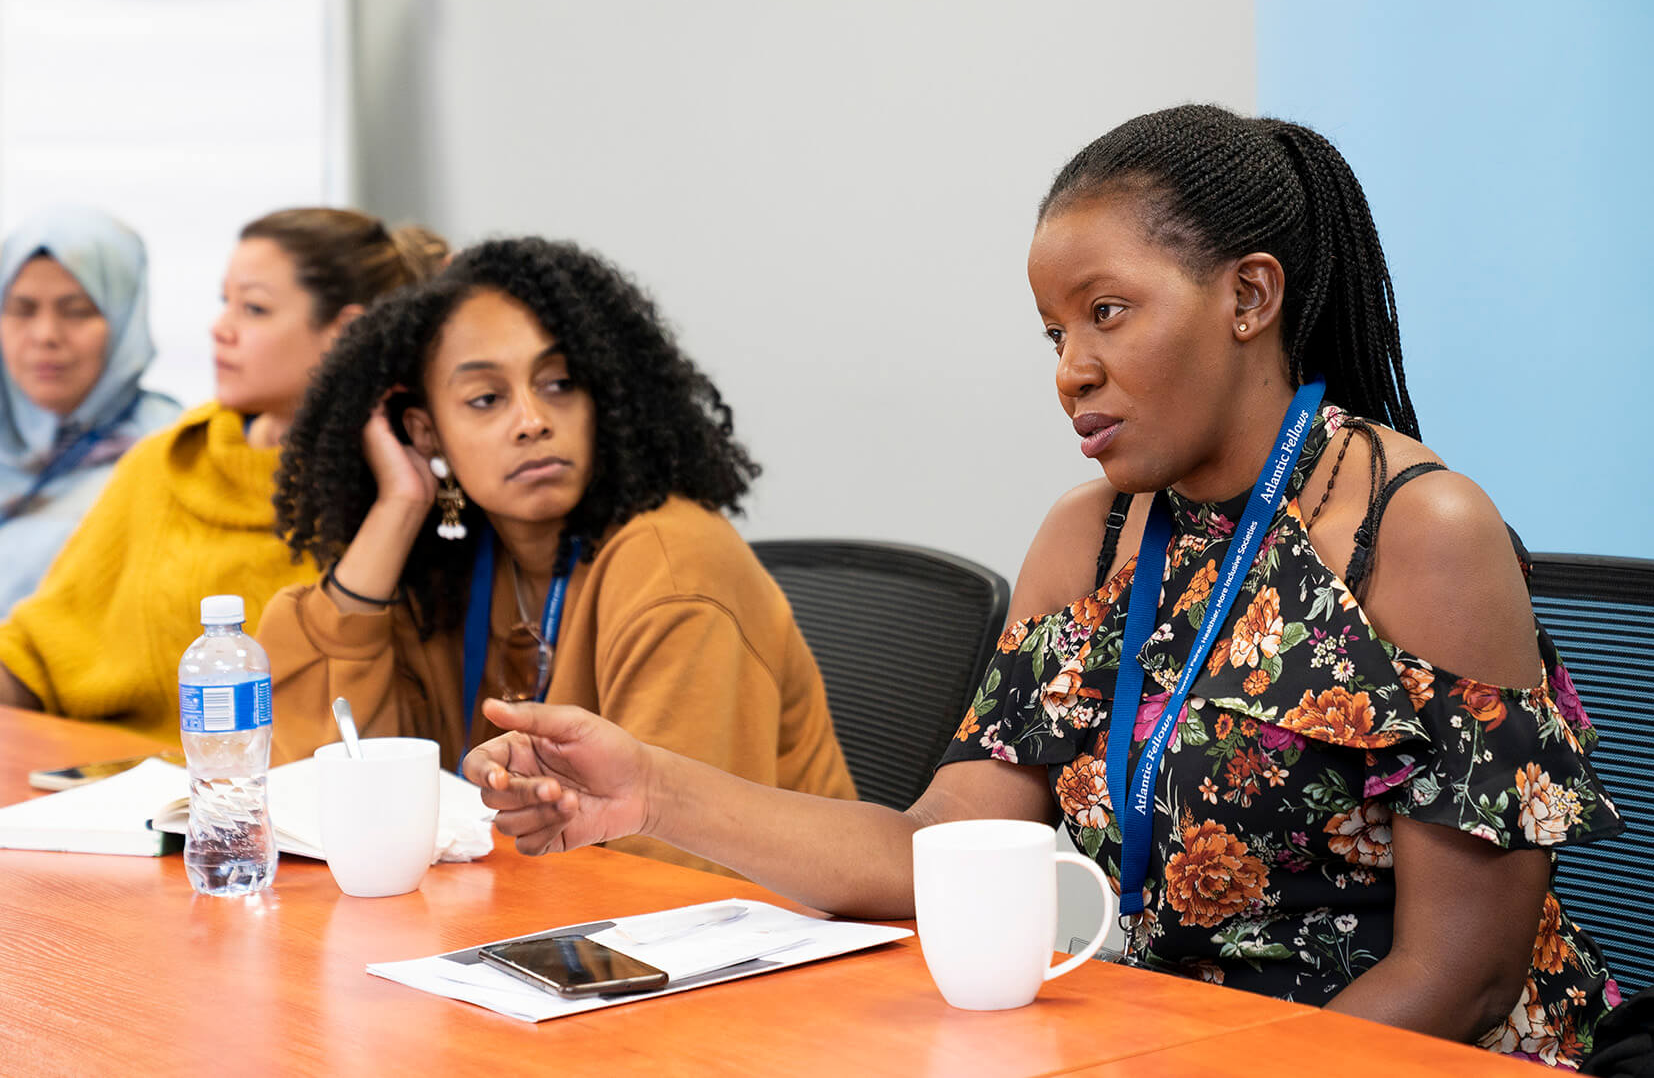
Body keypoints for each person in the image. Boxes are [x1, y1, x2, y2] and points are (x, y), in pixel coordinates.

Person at [462, 106, 1625, 1067]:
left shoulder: (1418, 531)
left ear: (1249, 296)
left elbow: (1456, 982)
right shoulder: (1090, 538)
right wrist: (649, 790)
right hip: (1148, 1041)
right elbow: (931, 853)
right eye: (1052, 332)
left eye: (1106, 312)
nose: (1071, 371)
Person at [257, 236, 855, 874]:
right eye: (486, 399)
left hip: (747, 951)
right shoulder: (446, 565)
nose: (532, 420)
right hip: (528, 936)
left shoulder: (675, 563)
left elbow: (667, 876)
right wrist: (399, 505)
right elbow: (321, 795)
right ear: (425, 431)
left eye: (559, 383)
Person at [0, 208, 447, 745]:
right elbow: (33, 654)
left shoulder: (402, 492)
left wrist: (398, 505)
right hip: (99, 786)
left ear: (344, 332)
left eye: (254, 308)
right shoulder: (172, 459)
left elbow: (357, 736)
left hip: (266, 805)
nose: (220, 328)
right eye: (224, 302)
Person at [0, 204, 181, 614]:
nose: (46, 336)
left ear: (124, 321)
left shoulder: (172, 456)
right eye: (22, 309)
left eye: (77, 311)